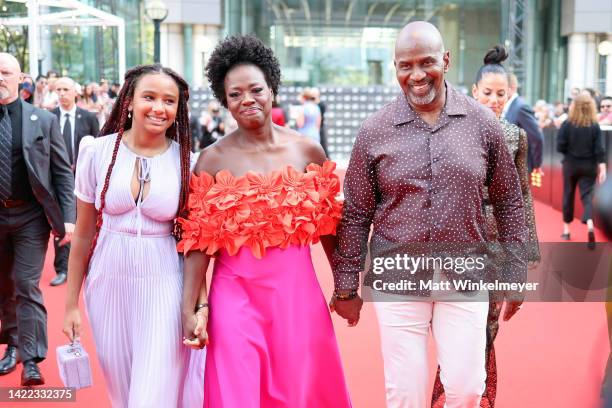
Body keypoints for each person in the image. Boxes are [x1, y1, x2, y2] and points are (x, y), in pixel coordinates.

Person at [331, 22, 528, 407]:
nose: (417, 75)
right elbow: (356, 213)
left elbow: (508, 200)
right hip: (397, 278)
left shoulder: (482, 124)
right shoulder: (375, 130)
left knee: (467, 388)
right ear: (395, 68)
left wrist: (515, 270)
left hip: (466, 274)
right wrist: (345, 286)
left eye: (427, 62)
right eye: (406, 66)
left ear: (446, 61)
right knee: (404, 394)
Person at [178, 34, 351, 407]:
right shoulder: (211, 160)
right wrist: (189, 306)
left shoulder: (307, 150)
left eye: (255, 89)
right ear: (225, 101)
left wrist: (345, 287)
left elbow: (329, 229)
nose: (247, 100)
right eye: (235, 94)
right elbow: (199, 242)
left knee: (296, 392)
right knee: (237, 391)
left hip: (296, 296)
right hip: (233, 296)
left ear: (272, 88)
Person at [62, 64, 203, 407]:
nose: (159, 107)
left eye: (169, 101)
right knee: (123, 391)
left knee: (153, 394)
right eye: (149, 97)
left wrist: (200, 306)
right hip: (107, 283)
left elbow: (194, 242)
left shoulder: (188, 163)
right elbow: (82, 235)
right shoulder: (96, 152)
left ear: (177, 110)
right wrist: (70, 305)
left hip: (164, 282)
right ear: (129, 101)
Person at [431, 44, 540, 407]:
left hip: (498, 243)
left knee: (486, 326)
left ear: (511, 95)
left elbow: (522, 196)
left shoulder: (516, 136)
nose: (494, 100)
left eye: (502, 94)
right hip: (461, 239)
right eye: (488, 93)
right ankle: (447, 392)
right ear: (474, 92)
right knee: (455, 327)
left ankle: (478, 397)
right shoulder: (455, 129)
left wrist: (525, 254)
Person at [0, 52, 75, 385]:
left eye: (5, 72)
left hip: (30, 216)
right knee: (4, 286)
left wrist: (69, 218)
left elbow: (61, 172)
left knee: (26, 284)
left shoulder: (42, 120)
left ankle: (32, 360)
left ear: (21, 79)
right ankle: (12, 347)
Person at [49, 77, 99, 287]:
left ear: (75, 92)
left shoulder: (88, 117)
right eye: (58, 90)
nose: (62, 93)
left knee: (85, 221)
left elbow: (98, 145)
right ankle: (62, 268)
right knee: (61, 221)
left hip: (84, 178)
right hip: (56, 178)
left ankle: (88, 263)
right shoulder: (48, 117)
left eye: (66, 89)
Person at [557, 93, 607, 248]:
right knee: (587, 196)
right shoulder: (594, 125)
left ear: (574, 106)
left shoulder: (567, 124)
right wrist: (603, 166)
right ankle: (590, 225)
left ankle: (566, 230)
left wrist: (569, 152)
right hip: (589, 165)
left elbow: (560, 146)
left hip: (570, 164)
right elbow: (599, 149)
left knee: (568, 194)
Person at [504, 73, 544, 175]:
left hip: (519, 169)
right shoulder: (508, 106)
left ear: (511, 88)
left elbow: (537, 137)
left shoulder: (521, 107)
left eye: (501, 89)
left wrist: (537, 164)